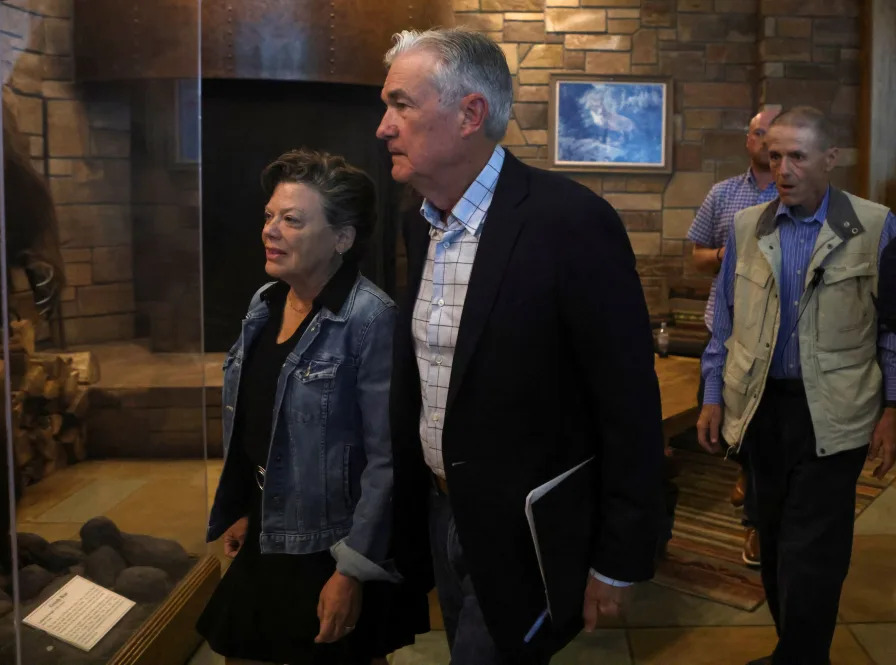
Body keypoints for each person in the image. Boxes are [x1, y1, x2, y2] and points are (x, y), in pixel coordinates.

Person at [378, 28, 665, 664]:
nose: (383, 127)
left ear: (469, 114)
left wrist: (619, 560)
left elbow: (628, 405)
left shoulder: (571, 223)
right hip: (441, 515)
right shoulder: (416, 223)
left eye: (401, 105)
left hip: (528, 529)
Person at [197, 149, 426, 665]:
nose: (270, 230)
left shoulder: (371, 320)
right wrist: (240, 505)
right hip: (266, 529)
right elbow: (256, 421)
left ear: (342, 239)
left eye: (292, 220)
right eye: (269, 216)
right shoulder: (265, 302)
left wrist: (351, 572)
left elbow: (387, 461)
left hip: (328, 550)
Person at [697, 106, 896, 665]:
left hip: (837, 410)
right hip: (761, 408)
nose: (782, 168)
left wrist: (893, 408)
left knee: (814, 546)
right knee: (777, 534)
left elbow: (893, 328)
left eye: (798, 157)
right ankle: (798, 651)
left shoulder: (875, 226)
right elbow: (726, 321)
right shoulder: (745, 227)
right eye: (775, 155)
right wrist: (713, 395)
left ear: (830, 160)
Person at [687, 107, 781, 567]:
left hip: (775, 326)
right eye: (759, 135)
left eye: (773, 136)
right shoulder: (723, 194)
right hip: (725, 320)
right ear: (748, 140)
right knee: (732, 407)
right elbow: (697, 255)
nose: (765, 144)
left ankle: (753, 499)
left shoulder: (793, 195)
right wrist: (727, 252)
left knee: (762, 416)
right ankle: (743, 463)